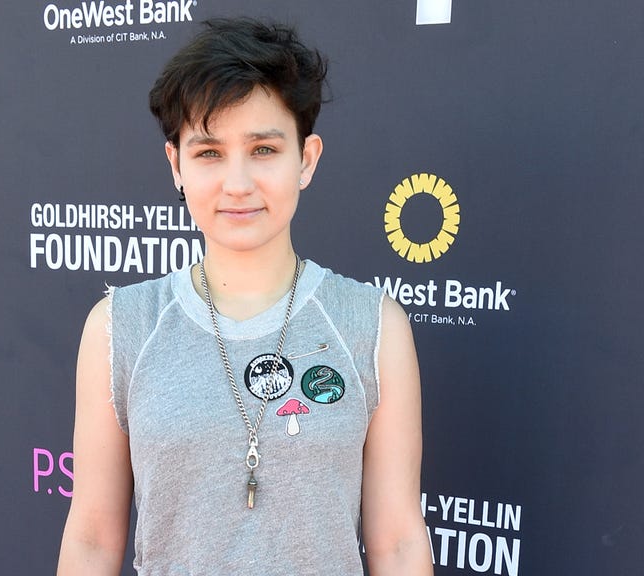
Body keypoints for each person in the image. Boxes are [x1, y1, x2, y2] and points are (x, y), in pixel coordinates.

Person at [57, 18, 433, 576]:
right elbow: (91, 538)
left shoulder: (371, 326)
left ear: (306, 159)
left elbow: (398, 542)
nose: (237, 184)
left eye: (263, 149)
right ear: (176, 165)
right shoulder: (122, 327)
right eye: (209, 153)